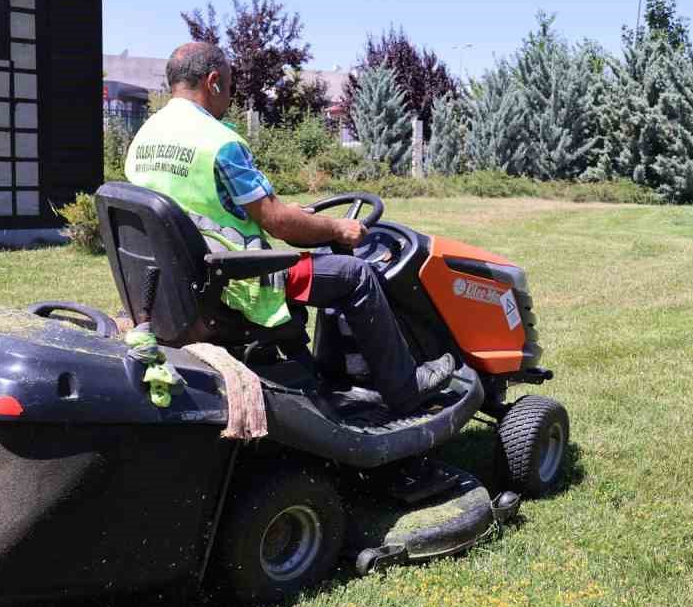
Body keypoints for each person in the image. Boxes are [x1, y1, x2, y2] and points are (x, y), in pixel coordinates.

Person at [124, 41, 453, 413]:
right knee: (355, 273)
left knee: (332, 263)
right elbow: (280, 225)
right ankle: (405, 386)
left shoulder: (145, 138)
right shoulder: (218, 142)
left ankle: (327, 378)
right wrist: (336, 228)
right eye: (230, 87)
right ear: (213, 81)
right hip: (241, 280)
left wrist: (280, 211)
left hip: (180, 276)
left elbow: (194, 205)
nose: (230, 97)